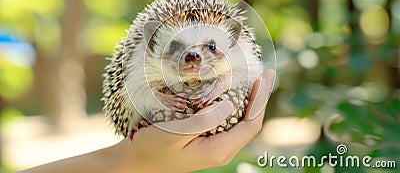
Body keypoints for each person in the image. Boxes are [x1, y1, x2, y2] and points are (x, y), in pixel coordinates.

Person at [19, 70, 275, 173]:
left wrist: (124, 159)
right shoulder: (147, 73)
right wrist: (130, 161)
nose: (193, 58)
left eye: (210, 48)